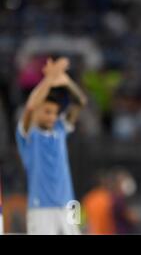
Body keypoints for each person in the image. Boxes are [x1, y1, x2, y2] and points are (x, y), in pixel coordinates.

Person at [16, 57, 87, 234]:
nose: (52, 117)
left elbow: (80, 102)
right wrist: (48, 80)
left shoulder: (61, 128)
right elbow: (31, 106)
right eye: (47, 111)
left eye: (55, 113)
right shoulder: (27, 134)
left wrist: (65, 80)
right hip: (41, 208)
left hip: (69, 204)